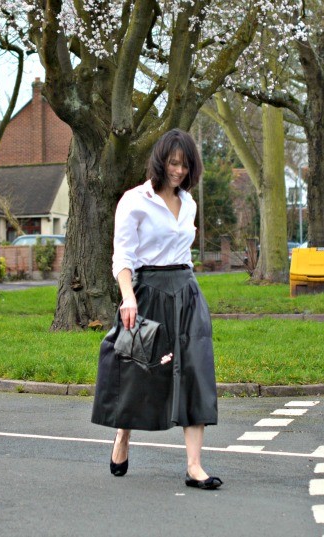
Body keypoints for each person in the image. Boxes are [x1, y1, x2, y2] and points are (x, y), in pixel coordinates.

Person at [91, 128, 221, 490]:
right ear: (160, 161)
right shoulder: (134, 200)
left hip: (187, 294)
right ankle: (123, 437)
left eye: (185, 164)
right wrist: (128, 296)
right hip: (148, 292)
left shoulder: (189, 202)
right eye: (173, 163)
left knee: (195, 373)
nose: (178, 171)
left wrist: (191, 290)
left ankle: (195, 466)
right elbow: (123, 255)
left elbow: (184, 254)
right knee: (138, 372)